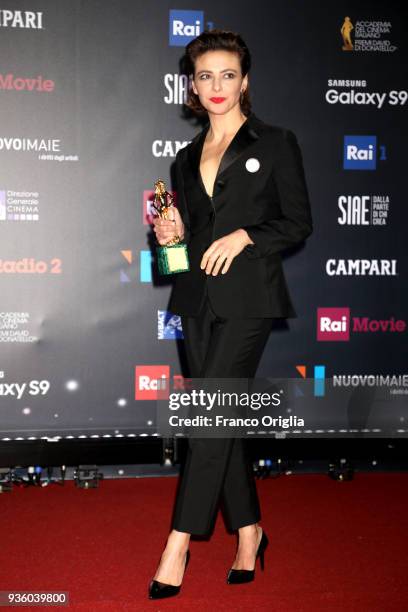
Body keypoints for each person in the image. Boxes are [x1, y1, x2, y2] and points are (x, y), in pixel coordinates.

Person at [149, 28, 313, 599]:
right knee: (224, 420)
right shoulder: (184, 158)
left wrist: (246, 234)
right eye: (204, 75)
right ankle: (249, 532)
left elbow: (297, 223)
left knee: (210, 417)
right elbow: (176, 256)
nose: (216, 86)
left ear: (244, 80)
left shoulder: (275, 141)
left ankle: (178, 542)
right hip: (195, 301)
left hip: (249, 302)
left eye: (227, 74)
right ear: (191, 86)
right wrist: (168, 238)